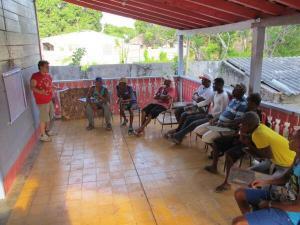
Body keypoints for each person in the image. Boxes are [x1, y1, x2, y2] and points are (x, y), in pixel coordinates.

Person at [232, 128, 300, 225]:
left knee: (238, 222)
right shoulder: (297, 157)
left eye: (293, 138)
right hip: (282, 195)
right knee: (239, 193)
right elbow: (285, 178)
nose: (289, 138)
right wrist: (264, 181)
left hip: (289, 214)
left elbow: (298, 207)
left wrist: (270, 204)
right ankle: (252, 220)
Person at [205, 93, 263, 192]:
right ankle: (214, 167)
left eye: (248, 101)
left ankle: (227, 183)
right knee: (216, 142)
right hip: (239, 137)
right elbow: (238, 123)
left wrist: (238, 135)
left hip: (247, 142)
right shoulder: (247, 110)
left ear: (254, 103)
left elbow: (253, 135)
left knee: (229, 155)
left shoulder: (256, 115)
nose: (246, 103)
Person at [168, 78, 229, 144]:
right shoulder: (215, 93)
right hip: (209, 115)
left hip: (214, 118)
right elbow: (206, 101)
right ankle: (179, 135)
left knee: (194, 123)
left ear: (220, 85)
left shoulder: (224, 96)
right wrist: (195, 106)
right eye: (213, 84)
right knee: (189, 119)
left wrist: (215, 119)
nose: (213, 85)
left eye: (214, 84)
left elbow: (223, 112)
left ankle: (178, 136)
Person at [31, 60, 56, 142]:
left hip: (49, 99)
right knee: (44, 118)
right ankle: (43, 135)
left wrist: (54, 88)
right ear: (41, 67)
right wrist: (40, 92)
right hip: (42, 101)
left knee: (50, 117)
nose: (48, 68)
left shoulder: (48, 76)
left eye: (48, 66)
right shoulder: (35, 76)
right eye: (46, 66)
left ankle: (47, 131)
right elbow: (32, 87)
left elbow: (50, 85)